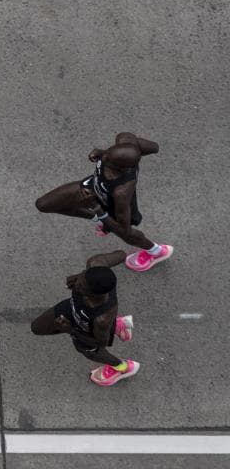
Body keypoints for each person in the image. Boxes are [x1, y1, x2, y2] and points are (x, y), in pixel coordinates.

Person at [35, 132, 172, 272]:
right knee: (43, 205)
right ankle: (99, 220)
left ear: (122, 168)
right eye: (107, 153)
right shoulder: (124, 143)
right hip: (91, 187)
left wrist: (95, 207)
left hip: (109, 204)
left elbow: (124, 229)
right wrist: (103, 151)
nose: (104, 157)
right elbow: (155, 147)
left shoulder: (122, 192)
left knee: (127, 234)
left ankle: (156, 252)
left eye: (108, 159)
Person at [30, 251, 138, 387]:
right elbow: (121, 254)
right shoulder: (95, 264)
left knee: (90, 352)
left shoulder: (101, 319)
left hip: (85, 328)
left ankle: (122, 367)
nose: (76, 284)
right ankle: (117, 325)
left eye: (80, 285)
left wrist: (71, 330)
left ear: (93, 294)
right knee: (36, 328)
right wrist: (78, 277)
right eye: (82, 276)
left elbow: (100, 343)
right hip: (72, 309)